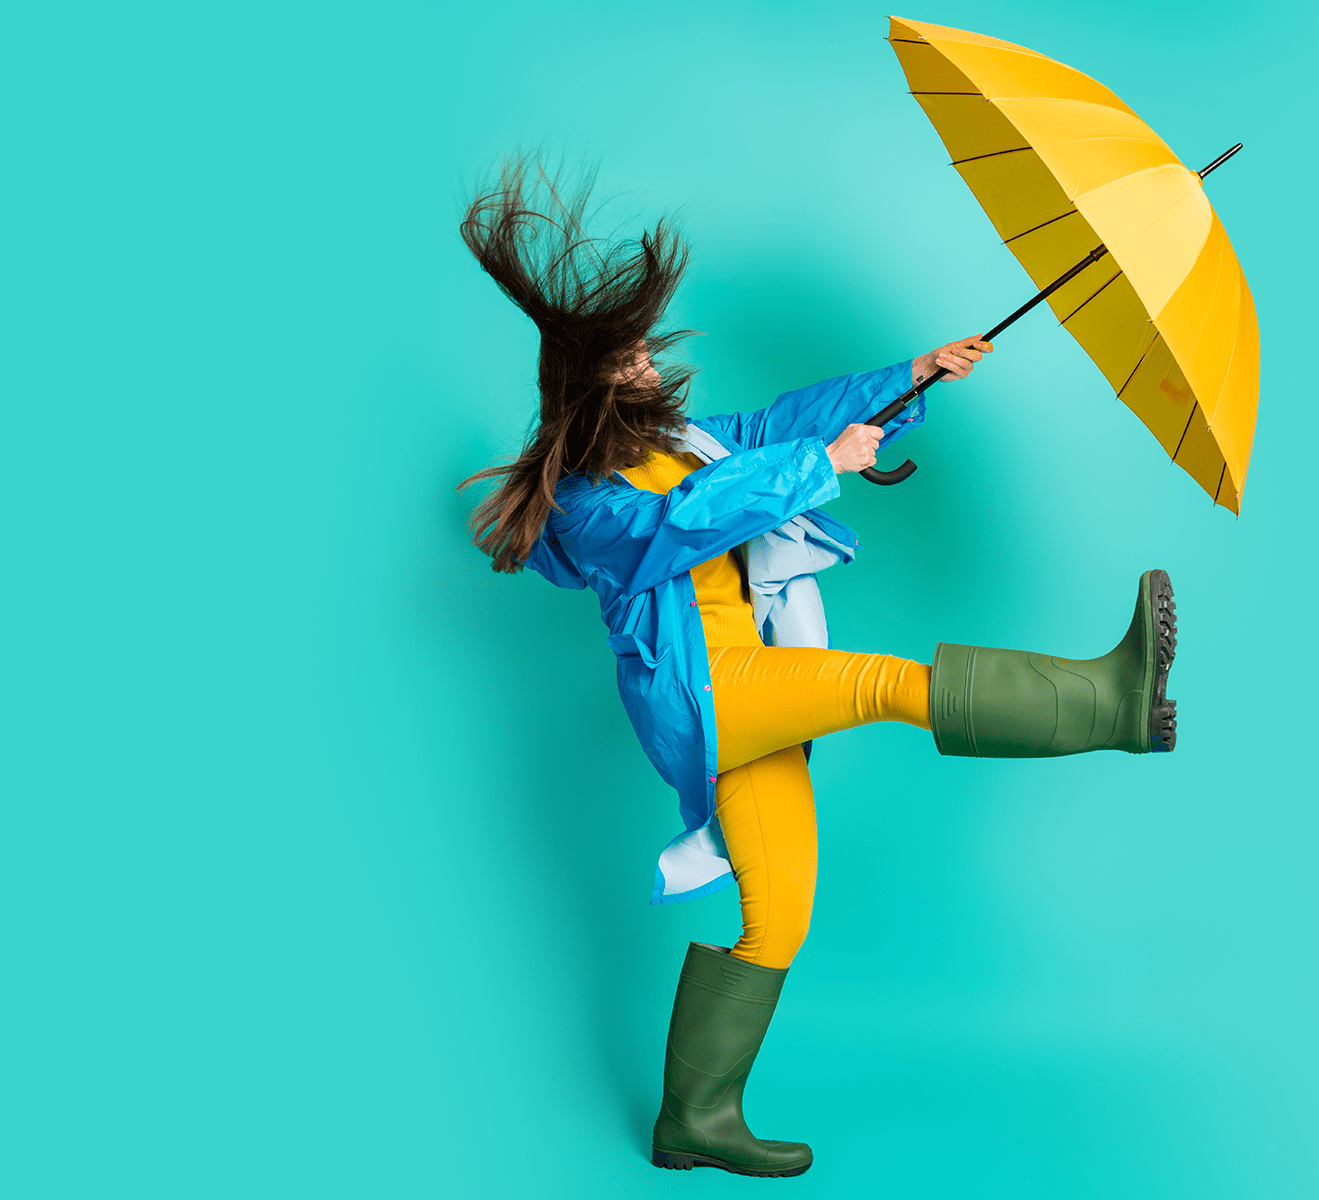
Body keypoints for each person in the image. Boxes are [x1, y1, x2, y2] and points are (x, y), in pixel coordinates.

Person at [459, 157, 1177, 1179]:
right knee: (884, 683)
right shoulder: (587, 502)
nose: (653, 367)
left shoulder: (686, 441)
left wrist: (913, 375)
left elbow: (776, 428)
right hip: (704, 694)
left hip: (747, 684)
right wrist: (819, 467)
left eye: (646, 352)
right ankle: (1110, 703)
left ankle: (693, 1118)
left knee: (780, 913)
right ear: (593, 383)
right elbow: (688, 520)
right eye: (633, 360)